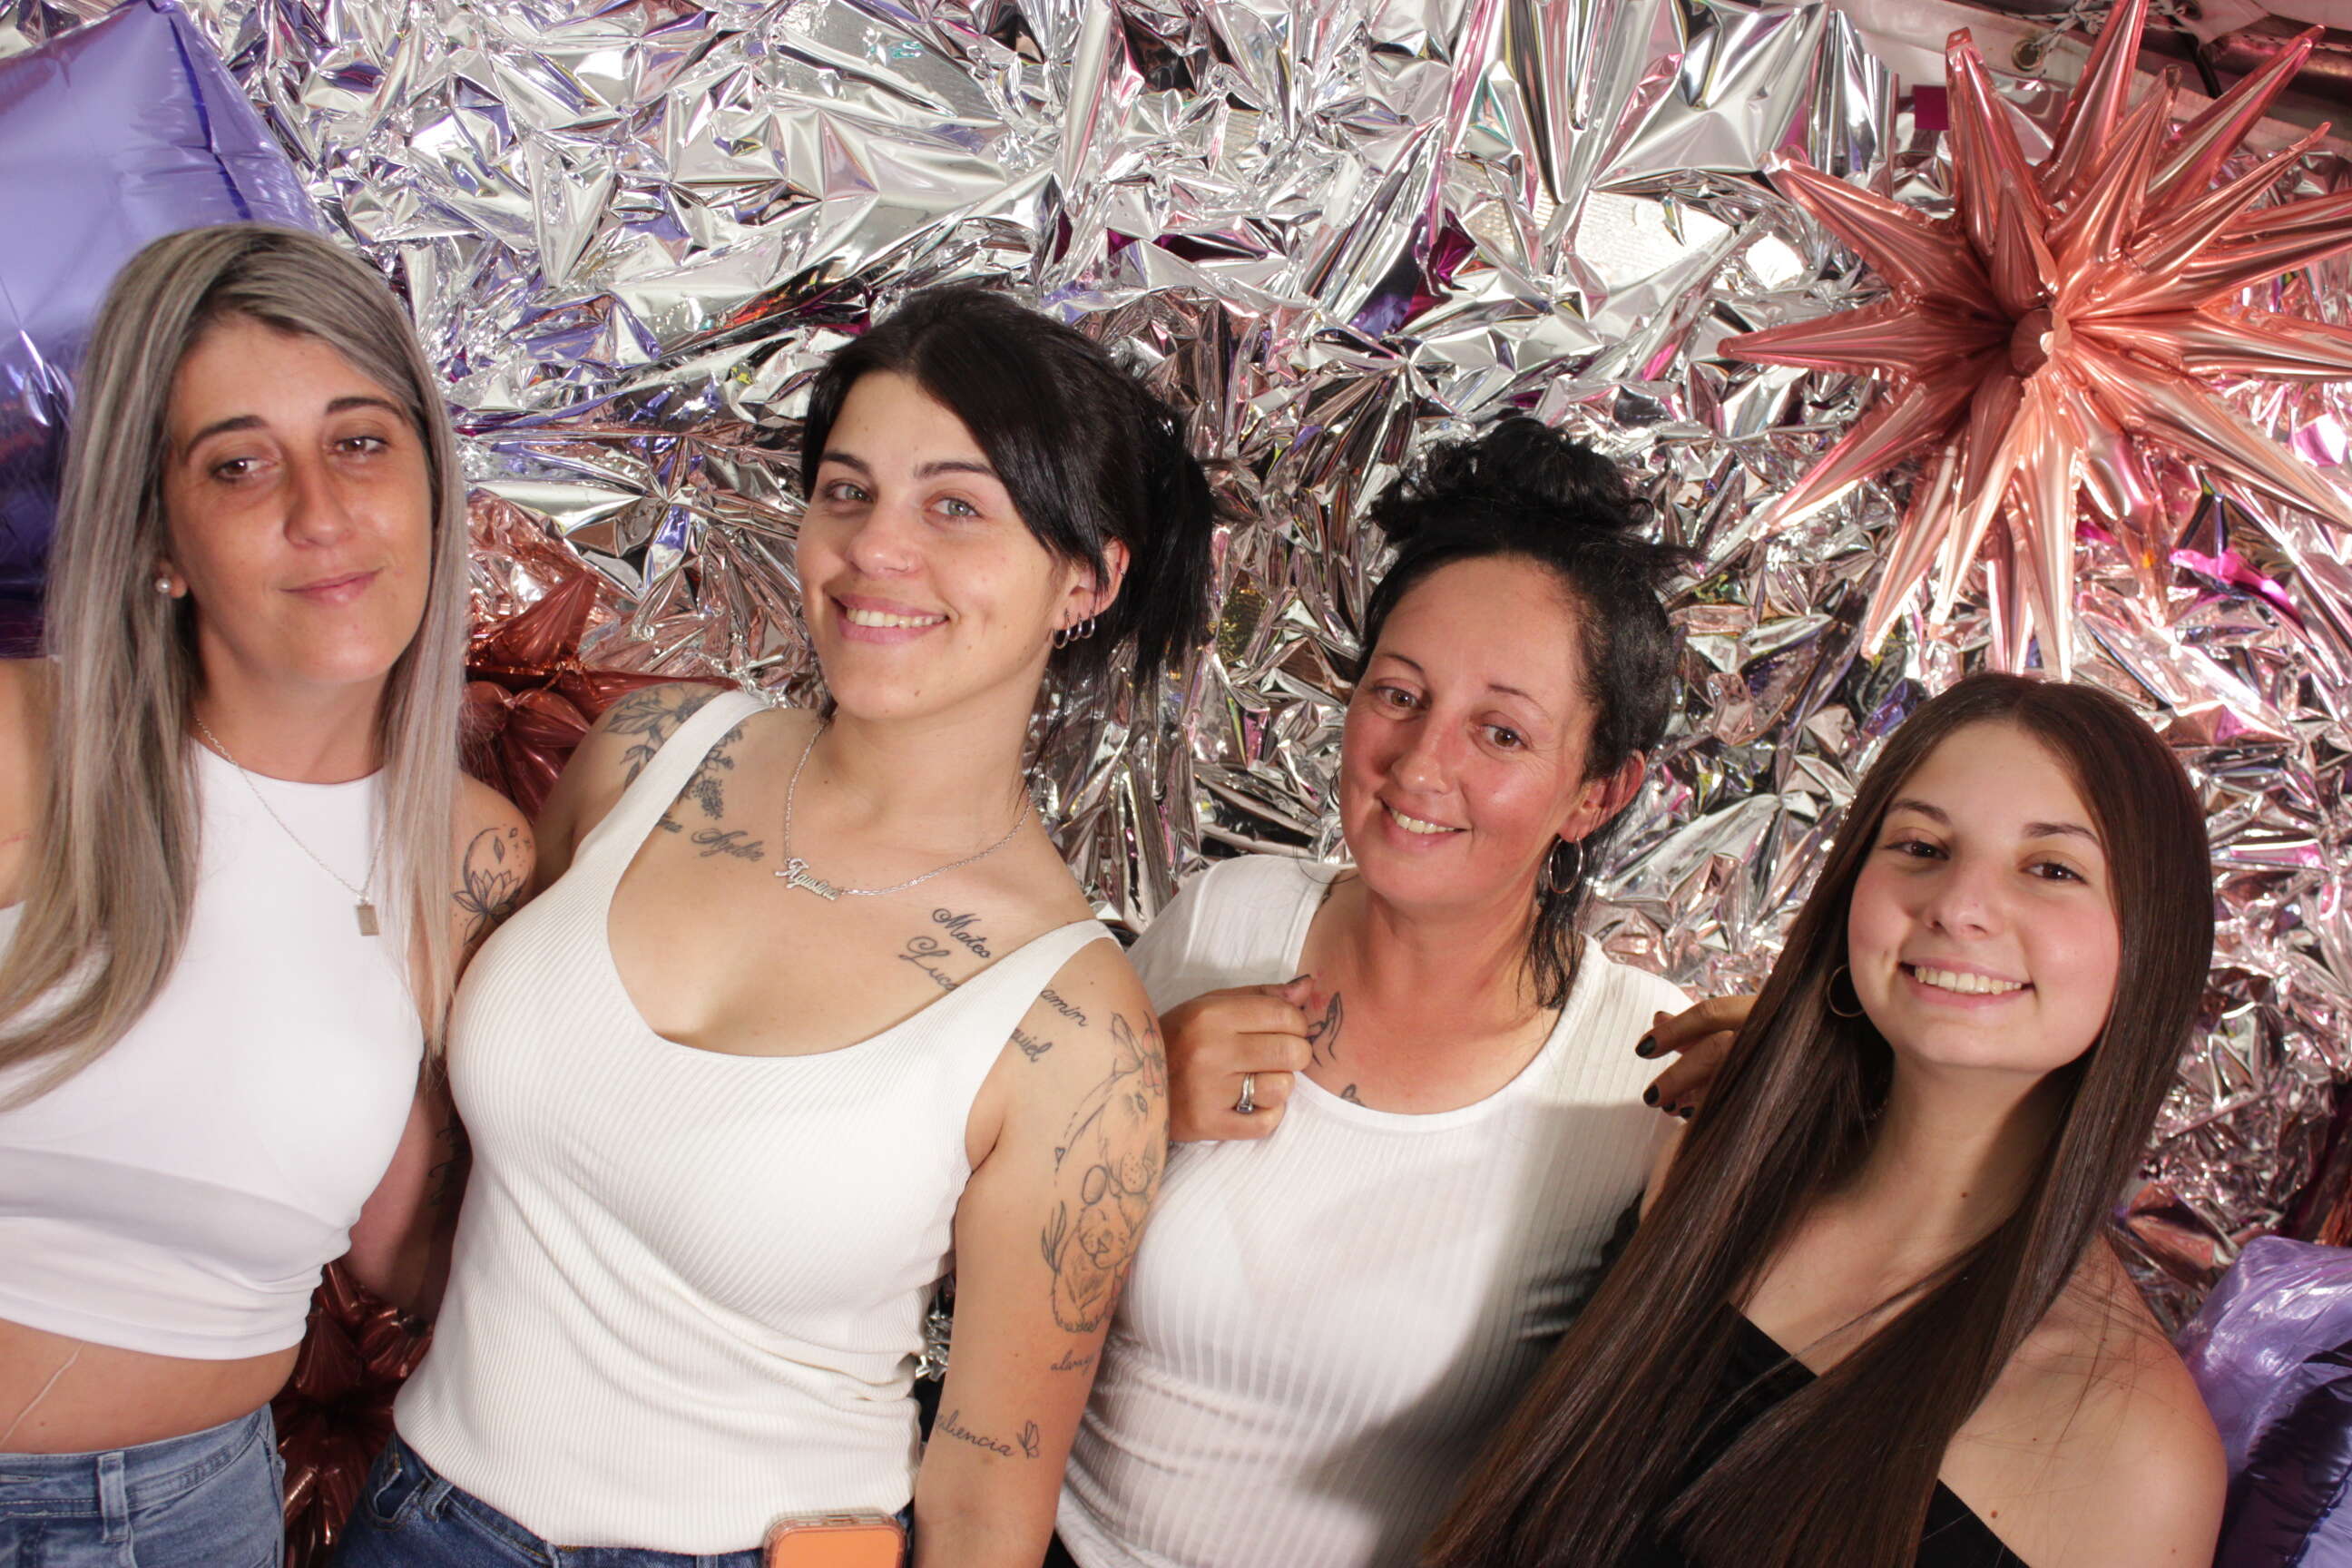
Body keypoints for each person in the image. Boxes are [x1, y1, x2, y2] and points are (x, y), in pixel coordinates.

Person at [335, 286, 1212, 1568]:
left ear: (1086, 578)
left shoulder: (1076, 1033)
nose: (875, 549)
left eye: (956, 507)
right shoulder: (648, 753)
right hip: (423, 1517)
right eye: (848, 491)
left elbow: (986, 1499)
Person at [1052, 417, 1695, 1568]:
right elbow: (995, 1255)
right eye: (1400, 695)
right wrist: (1130, 1101)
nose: (1420, 763)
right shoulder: (1229, 917)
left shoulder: (1645, 1066)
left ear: (1597, 792)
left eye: (1500, 732)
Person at [1426, 672, 2226, 1568]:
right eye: (1921, 846)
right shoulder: (1706, 1170)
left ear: (2153, 942)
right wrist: (1776, 1079)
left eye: (2051, 869)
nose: (1958, 906)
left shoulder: (2141, 1463)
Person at [0, 224, 531, 1566]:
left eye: (360, 442)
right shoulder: (19, 746)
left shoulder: (468, 859)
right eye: (237, 464)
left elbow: (412, 1255)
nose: (320, 511)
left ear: (432, 485)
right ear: (158, 535)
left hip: (176, 1523)